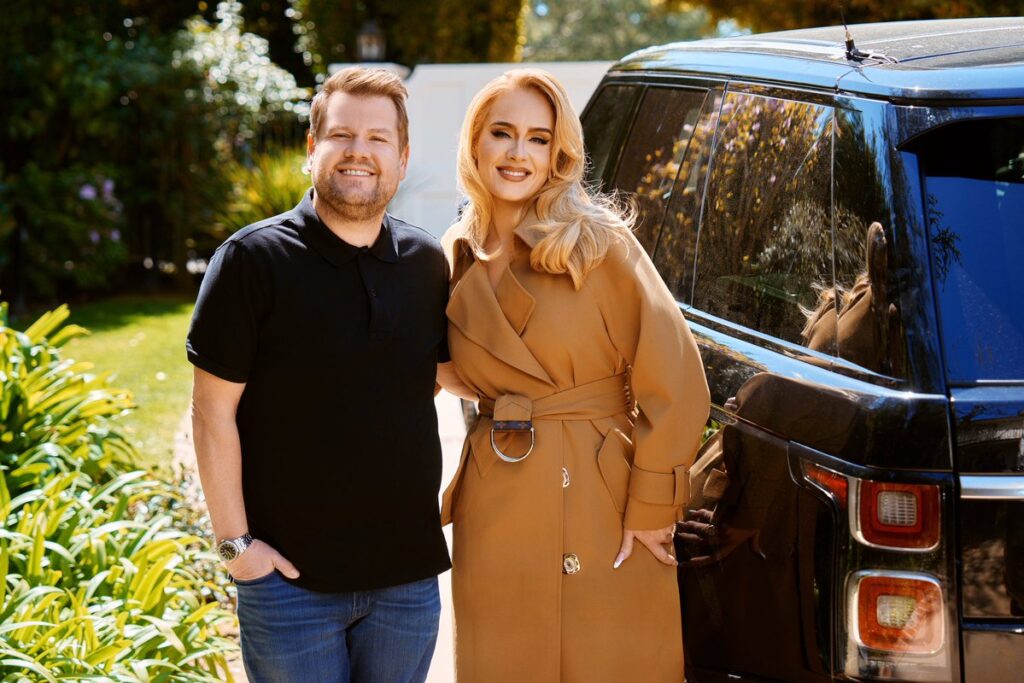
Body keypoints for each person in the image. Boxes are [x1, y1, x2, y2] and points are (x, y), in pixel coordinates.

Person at [437, 68, 711, 682]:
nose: (518, 153)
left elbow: (678, 381)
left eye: (538, 139)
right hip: (498, 494)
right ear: (475, 143)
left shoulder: (598, 243)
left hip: (605, 497)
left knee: (613, 660)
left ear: (558, 155)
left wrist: (652, 504)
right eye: (502, 133)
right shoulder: (453, 254)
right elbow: (434, 369)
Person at [186, 67, 451, 683]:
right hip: (288, 586)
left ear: (403, 158)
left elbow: (445, 376)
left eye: (379, 139)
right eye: (342, 135)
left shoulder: (427, 261)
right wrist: (236, 548)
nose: (360, 151)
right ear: (313, 148)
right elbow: (211, 412)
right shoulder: (251, 261)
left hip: (406, 582)